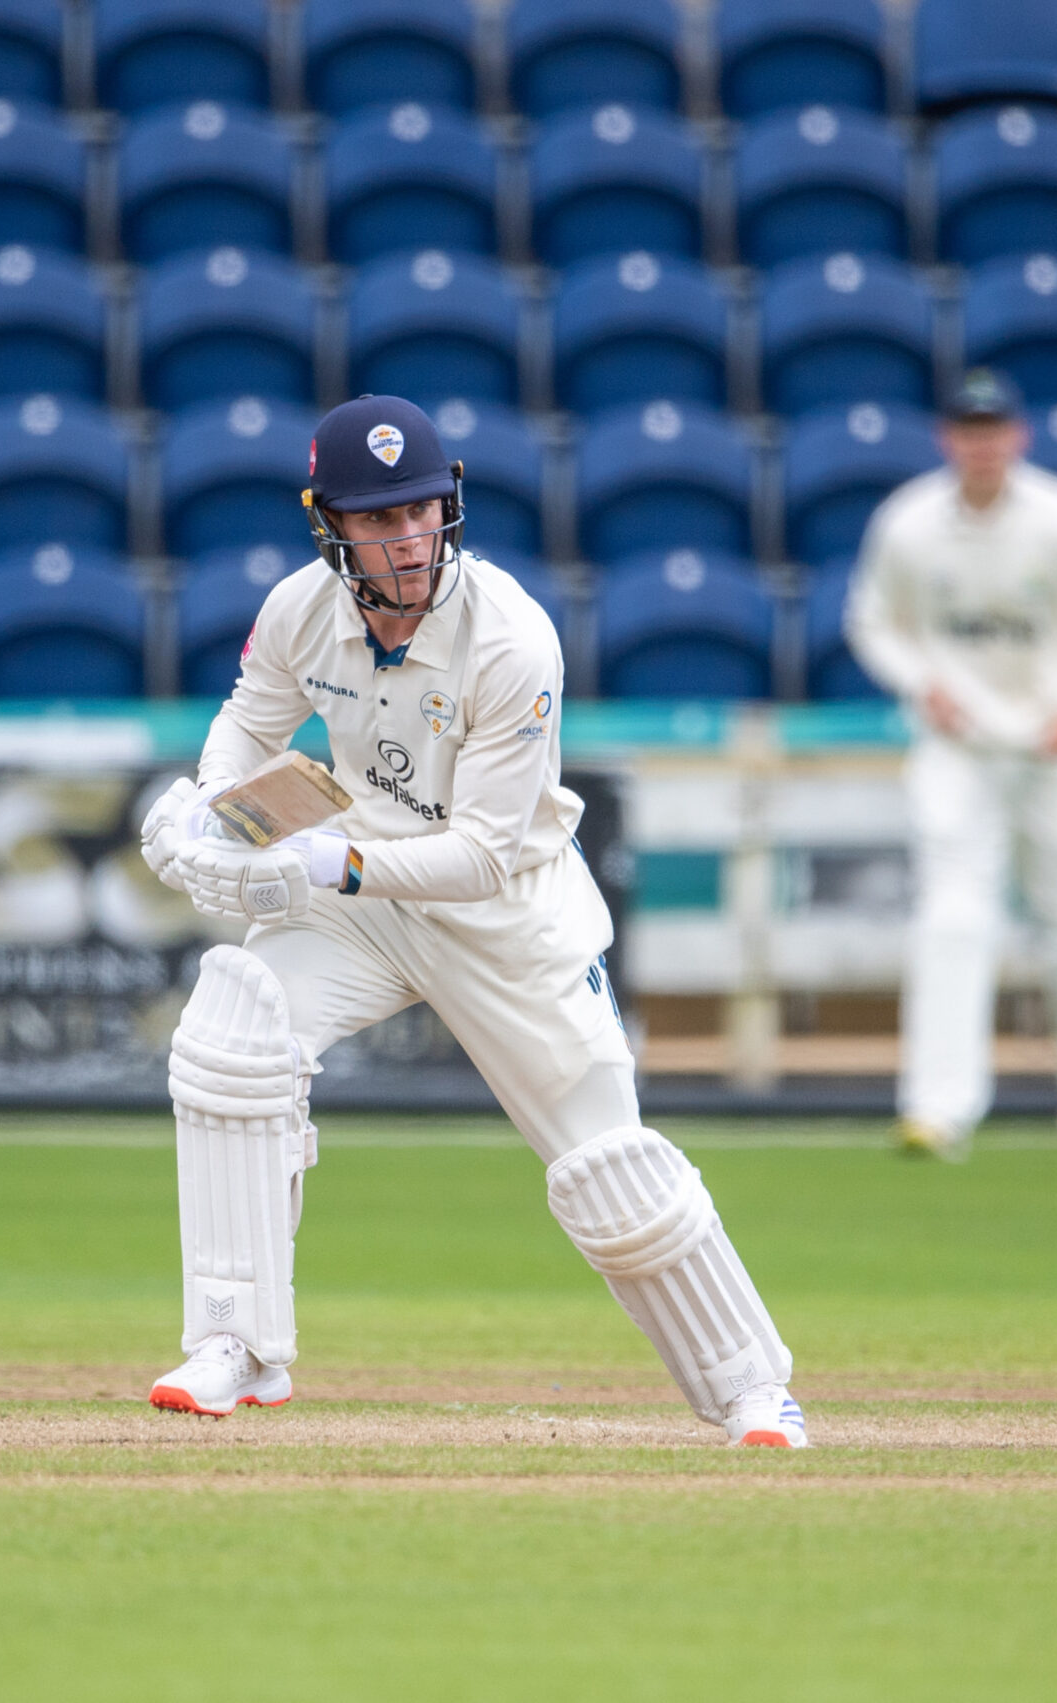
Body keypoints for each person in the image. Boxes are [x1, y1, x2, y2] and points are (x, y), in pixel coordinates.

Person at [137, 395, 808, 1446]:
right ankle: (237, 1344)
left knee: (607, 1170)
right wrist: (206, 814)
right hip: (364, 902)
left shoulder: (511, 639)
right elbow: (245, 721)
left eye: (419, 510)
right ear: (333, 528)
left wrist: (326, 859)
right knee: (234, 1033)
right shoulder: (297, 611)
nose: (405, 537)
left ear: (447, 506)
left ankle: (751, 1389)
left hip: (507, 914)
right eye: (377, 518)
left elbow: (484, 853)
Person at [845, 369, 1057, 1163]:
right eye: (966, 430)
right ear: (947, 438)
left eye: (994, 430)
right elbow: (872, 622)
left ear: (1018, 436)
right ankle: (938, 1111)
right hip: (959, 748)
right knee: (953, 917)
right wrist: (925, 687)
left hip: (1055, 747)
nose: (980, 445)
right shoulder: (910, 523)